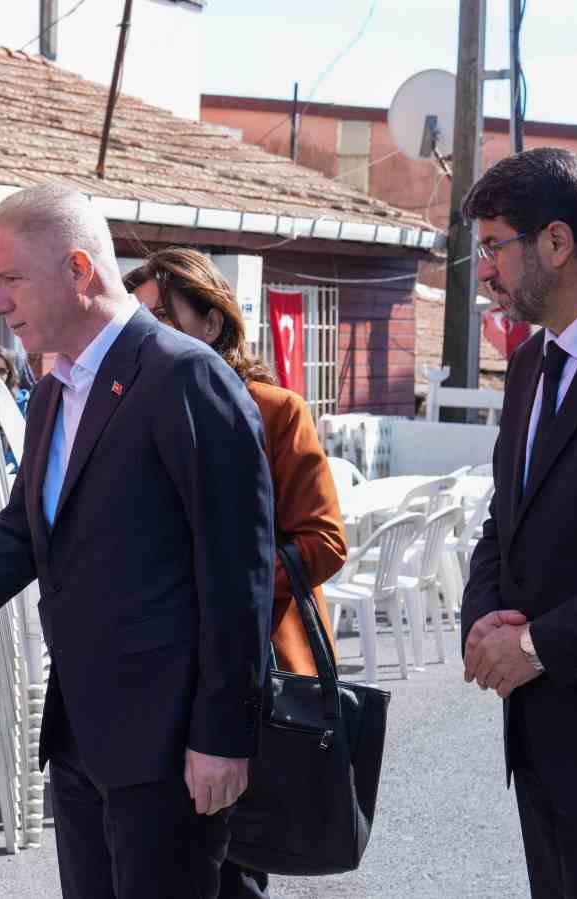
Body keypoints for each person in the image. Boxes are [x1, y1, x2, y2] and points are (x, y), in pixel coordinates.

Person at [0, 184, 275, 898]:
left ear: (79, 270)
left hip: (172, 750)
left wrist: (223, 736)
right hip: (84, 739)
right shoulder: (56, 392)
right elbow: (23, 537)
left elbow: (238, 571)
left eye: (11, 278)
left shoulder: (184, 377)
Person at [460, 147, 577, 899]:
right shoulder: (531, 362)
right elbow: (503, 520)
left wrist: (538, 644)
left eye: (492, 247)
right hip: (543, 753)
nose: (483, 271)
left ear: (556, 241)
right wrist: (482, 623)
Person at [127, 247, 348, 899]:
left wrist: (229, 589)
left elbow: (325, 540)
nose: (148, 335)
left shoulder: (273, 410)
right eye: (139, 321)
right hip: (150, 678)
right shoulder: (128, 411)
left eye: (164, 316)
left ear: (214, 324)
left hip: (248, 672)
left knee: (233, 865)